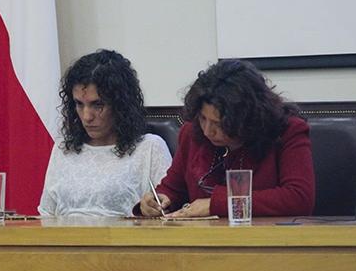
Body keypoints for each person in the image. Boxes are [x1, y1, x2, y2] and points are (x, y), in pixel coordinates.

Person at [138, 59, 315, 218]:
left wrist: (217, 205)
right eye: (202, 118)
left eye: (219, 123)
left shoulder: (287, 131)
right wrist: (158, 199)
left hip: (270, 243)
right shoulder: (191, 133)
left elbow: (299, 198)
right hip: (203, 242)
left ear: (247, 118)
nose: (208, 131)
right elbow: (173, 189)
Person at [38, 49, 172, 216]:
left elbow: (168, 215)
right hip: (64, 239)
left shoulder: (150, 148)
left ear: (120, 105)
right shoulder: (63, 148)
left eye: (97, 105)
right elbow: (46, 215)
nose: (87, 116)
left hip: (124, 239)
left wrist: (154, 207)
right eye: (79, 104)